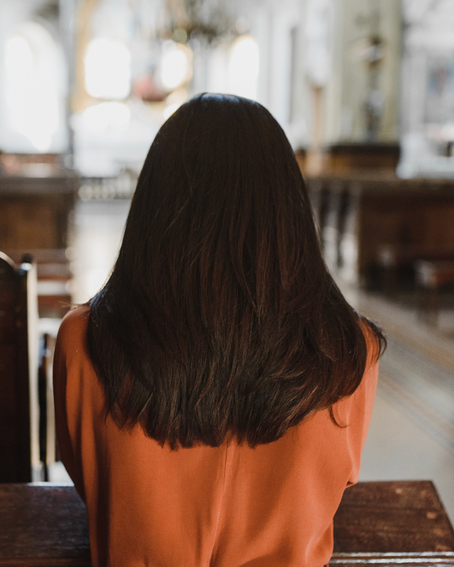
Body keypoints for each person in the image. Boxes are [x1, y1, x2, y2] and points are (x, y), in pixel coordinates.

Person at [53, 93, 384, 567]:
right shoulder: (353, 352)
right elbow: (337, 484)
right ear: (288, 208)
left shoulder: (82, 342)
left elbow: (91, 479)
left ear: (154, 207)